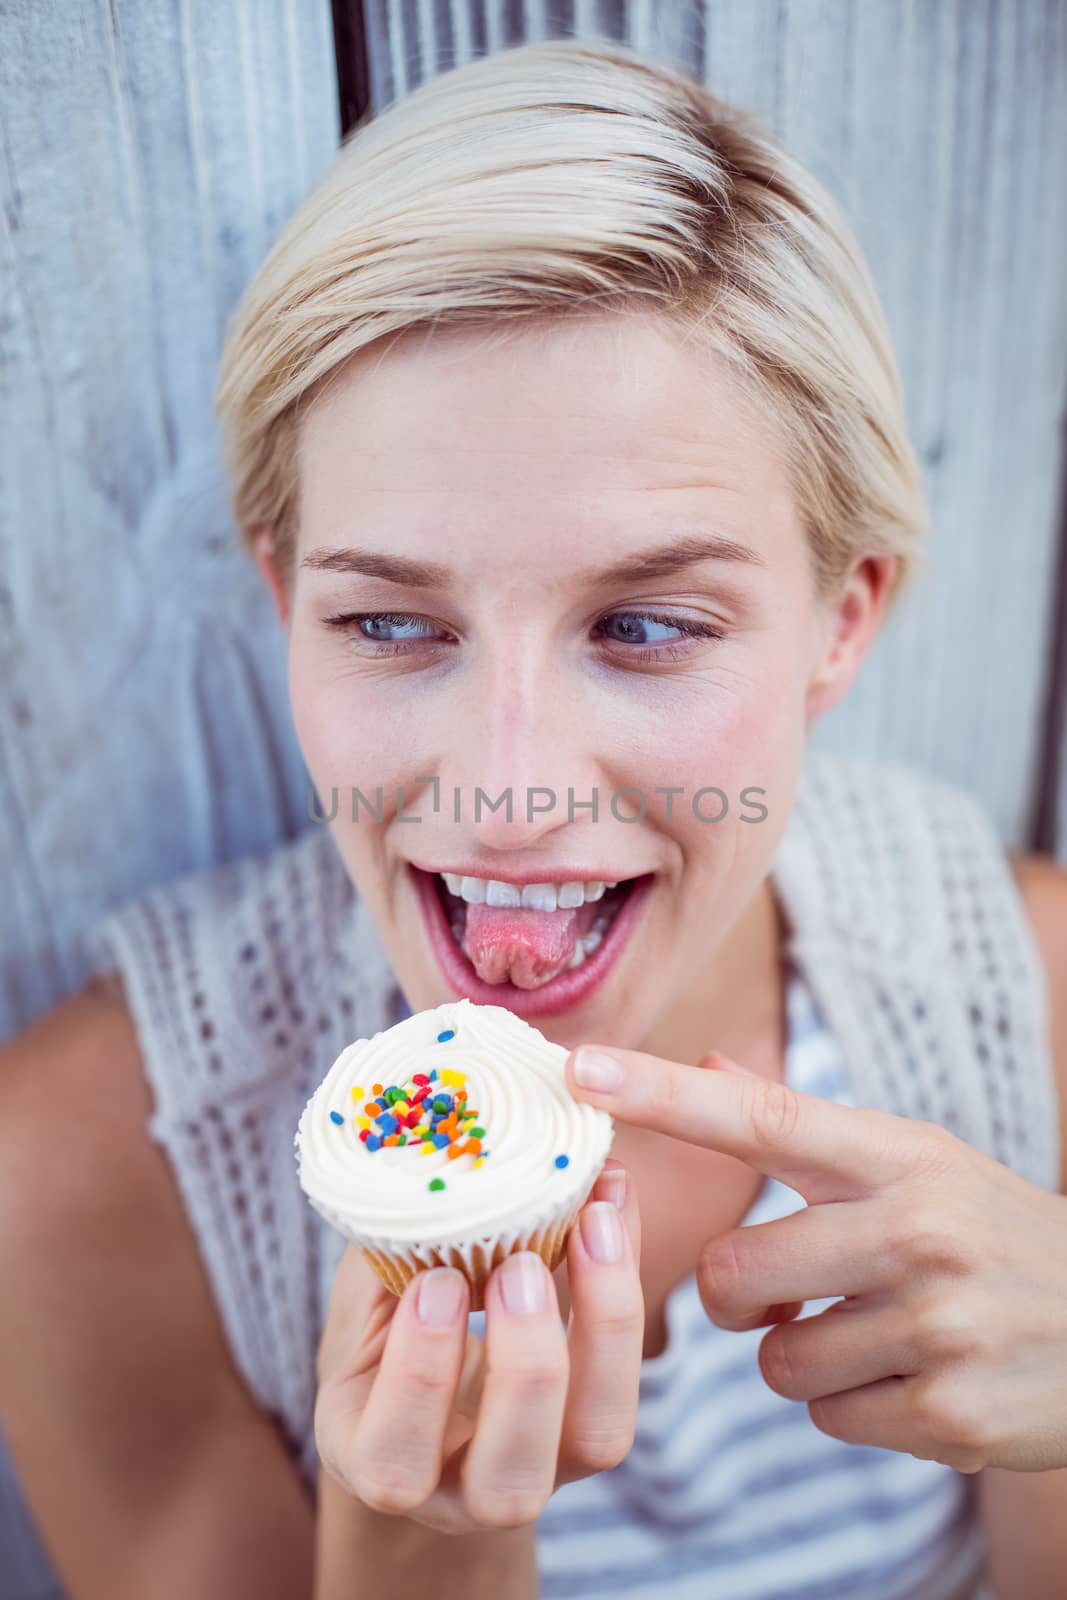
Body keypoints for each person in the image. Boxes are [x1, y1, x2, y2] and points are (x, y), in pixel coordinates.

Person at [2, 35, 1066, 1600]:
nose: (509, 796)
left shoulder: (1035, 1013)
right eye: (391, 624)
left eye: (645, 627)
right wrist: (421, 1549)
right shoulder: (90, 1169)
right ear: (285, 597)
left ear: (843, 622)